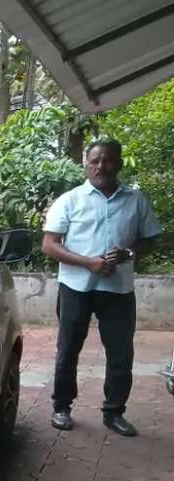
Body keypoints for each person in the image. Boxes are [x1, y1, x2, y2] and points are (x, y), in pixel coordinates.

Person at [42, 139, 163, 436]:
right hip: (76, 287)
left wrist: (130, 254)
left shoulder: (136, 201)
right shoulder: (69, 200)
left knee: (121, 354)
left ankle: (114, 412)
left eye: (108, 160)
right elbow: (49, 245)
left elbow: (150, 240)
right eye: (95, 161)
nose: (101, 166)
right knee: (68, 349)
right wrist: (88, 263)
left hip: (118, 290)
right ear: (86, 164)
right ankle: (61, 407)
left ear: (119, 163)